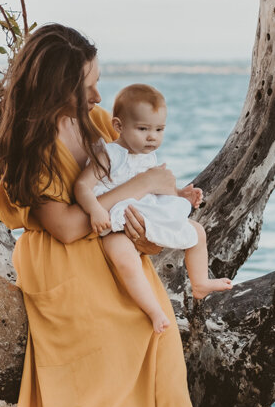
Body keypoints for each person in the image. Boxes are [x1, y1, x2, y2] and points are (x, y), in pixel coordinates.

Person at [0, 24, 217, 407]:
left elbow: (123, 192)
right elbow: (66, 226)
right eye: (88, 81)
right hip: (70, 281)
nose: (96, 92)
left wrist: (149, 223)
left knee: (171, 402)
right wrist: (138, 186)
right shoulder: (25, 141)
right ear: (57, 85)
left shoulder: (94, 120)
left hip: (122, 265)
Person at [74, 83, 233, 333]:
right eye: (143, 129)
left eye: (159, 130)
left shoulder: (148, 157)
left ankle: (200, 282)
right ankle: (154, 310)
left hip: (146, 215)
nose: (152, 137)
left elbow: (155, 189)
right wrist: (95, 210)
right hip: (114, 223)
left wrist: (181, 195)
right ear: (118, 126)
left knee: (197, 232)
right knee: (125, 258)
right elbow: (82, 186)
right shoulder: (108, 154)